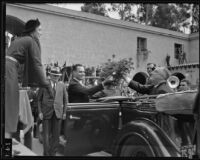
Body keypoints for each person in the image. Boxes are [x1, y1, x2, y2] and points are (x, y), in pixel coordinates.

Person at [5, 18, 53, 138]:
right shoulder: (31, 41)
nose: (41, 33)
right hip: (9, 69)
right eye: (40, 30)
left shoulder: (21, 40)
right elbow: (37, 65)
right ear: (33, 31)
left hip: (8, 67)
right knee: (11, 110)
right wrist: (46, 85)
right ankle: (7, 148)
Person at [37, 66, 68, 156]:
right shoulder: (44, 85)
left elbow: (65, 100)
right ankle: (46, 154)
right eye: (54, 75)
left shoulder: (62, 85)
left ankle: (53, 154)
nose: (56, 77)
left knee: (56, 136)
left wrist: (64, 112)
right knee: (46, 136)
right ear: (50, 75)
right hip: (46, 113)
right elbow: (38, 99)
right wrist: (40, 112)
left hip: (58, 114)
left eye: (57, 76)